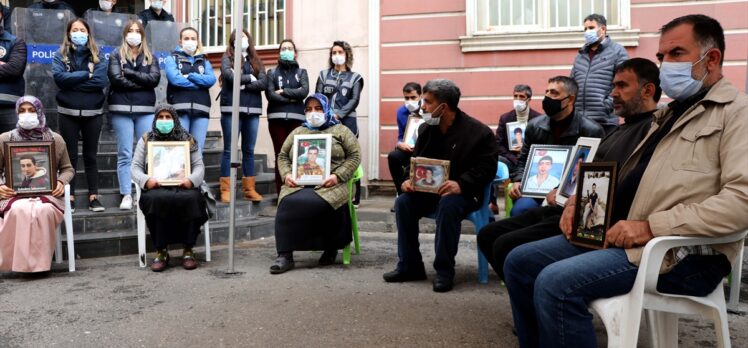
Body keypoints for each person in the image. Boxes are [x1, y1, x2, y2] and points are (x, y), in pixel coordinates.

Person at [503, 15, 748, 347]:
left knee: (554, 283)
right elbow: (624, 176)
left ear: (712, 58)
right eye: (662, 57)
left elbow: (741, 202)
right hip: (623, 236)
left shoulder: (737, 114)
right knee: (519, 261)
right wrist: (577, 202)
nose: (665, 65)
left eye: (676, 54)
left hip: (681, 254)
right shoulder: (668, 116)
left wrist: (650, 227)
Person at [478, 57, 661, 281]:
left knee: (509, 247)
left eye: (622, 86)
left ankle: (535, 291)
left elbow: (621, 185)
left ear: (647, 90)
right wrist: (560, 189)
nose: (613, 93)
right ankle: (528, 289)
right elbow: (582, 171)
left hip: (591, 218)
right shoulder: (616, 131)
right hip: (563, 204)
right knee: (488, 234)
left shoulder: (651, 132)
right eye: (613, 86)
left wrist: (575, 202)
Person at [382, 79, 499, 293]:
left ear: (443, 107)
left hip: (465, 193)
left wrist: (461, 184)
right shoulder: (427, 128)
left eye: (426, 102)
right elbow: (416, 161)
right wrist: (410, 180)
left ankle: (444, 270)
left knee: (448, 204)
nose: (422, 107)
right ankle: (410, 266)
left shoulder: (479, 133)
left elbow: (487, 168)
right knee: (403, 203)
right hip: (429, 190)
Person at [269, 93, 361, 274]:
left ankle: (330, 246)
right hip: (299, 183)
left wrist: (338, 176)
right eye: (309, 109)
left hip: (332, 183)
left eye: (318, 109)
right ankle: (285, 255)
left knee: (317, 202)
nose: (313, 113)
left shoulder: (341, 131)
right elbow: (282, 156)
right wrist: (287, 174)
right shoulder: (298, 132)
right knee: (287, 202)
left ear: (327, 110)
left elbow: (355, 156)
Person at [508, 76, 604, 217]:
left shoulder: (591, 130)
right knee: (519, 211)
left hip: (570, 195)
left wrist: (563, 192)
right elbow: (523, 159)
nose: (547, 97)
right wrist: (518, 180)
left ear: (570, 99)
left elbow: (594, 173)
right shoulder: (534, 126)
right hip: (535, 191)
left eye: (554, 93)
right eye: (546, 92)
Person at [0, 96, 75, 273]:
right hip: (14, 195)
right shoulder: (4, 139)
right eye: (22, 111)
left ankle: (39, 265)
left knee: (42, 210)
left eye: (32, 110)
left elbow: (68, 169)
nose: (27, 115)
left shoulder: (55, 139)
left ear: (40, 112)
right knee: (19, 209)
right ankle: (15, 264)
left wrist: (60, 181)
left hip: (48, 194)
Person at [131, 105, 208, 272]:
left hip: (184, 186)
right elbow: (135, 167)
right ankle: (161, 251)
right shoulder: (146, 139)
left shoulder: (188, 139)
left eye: (168, 117)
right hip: (156, 186)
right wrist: (146, 180)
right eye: (161, 117)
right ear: (155, 120)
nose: (164, 121)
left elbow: (199, 167)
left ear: (175, 120)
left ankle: (188, 250)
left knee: (192, 198)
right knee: (155, 200)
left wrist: (191, 180)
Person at [52, 18, 109, 213]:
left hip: (93, 113)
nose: (78, 33)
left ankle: (94, 197)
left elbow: (100, 81)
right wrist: (86, 75)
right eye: (74, 29)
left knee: (91, 156)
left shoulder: (98, 55)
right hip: (68, 113)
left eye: (82, 29)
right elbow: (59, 79)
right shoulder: (61, 55)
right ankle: (71, 197)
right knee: (71, 158)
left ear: (88, 33)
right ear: (68, 33)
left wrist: (73, 82)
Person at [108, 19, 160, 211]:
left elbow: (154, 79)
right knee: (125, 153)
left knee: (146, 153)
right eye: (130, 30)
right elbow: (116, 80)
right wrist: (142, 84)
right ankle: (126, 194)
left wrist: (129, 73)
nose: (134, 34)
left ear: (143, 35)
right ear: (125, 34)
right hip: (121, 109)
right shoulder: (116, 54)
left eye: (138, 31)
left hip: (145, 110)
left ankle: (143, 191)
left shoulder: (149, 56)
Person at [219, 30, 266, 203]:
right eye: (237, 38)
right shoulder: (227, 58)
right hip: (231, 108)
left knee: (249, 150)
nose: (241, 40)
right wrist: (250, 78)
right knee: (229, 150)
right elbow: (229, 77)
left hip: (252, 110)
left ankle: (249, 189)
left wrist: (244, 85)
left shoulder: (257, 60)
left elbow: (263, 82)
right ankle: (226, 189)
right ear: (232, 41)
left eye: (244, 37)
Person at [316, 40, 364, 205]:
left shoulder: (355, 77)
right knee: (328, 155)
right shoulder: (323, 75)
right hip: (326, 122)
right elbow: (319, 98)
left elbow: (354, 100)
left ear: (347, 55)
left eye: (340, 52)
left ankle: (355, 194)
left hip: (348, 122)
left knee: (350, 156)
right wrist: (327, 115)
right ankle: (329, 190)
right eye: (334, 53)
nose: (337, 56)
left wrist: (339, 114)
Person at [571, 14, 629, 135]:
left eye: (591, 28)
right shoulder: (580, 55)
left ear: (603, 29)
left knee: (602, 154)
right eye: (585, 29)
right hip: (579, 122)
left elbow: (624, 82)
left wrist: (606, 106)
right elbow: (572, 84)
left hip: (605, 122)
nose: (587, 32)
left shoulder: (617, 51)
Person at [266, 39, 309, 195]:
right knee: (280, 156)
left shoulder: (302, 72)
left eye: (290, 48)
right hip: (276, 120)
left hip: (297, 119)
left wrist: (283, 92)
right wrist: (293, 96)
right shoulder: (271, 73)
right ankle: (281, 193)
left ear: (295, 53)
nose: (286, 51)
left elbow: (304, 92)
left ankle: (297, 191)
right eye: (283, 48)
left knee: (298, 155)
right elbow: (270, 95)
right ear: (279, 52)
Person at [164, 27, 216, 152]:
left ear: (197, 41)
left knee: (197, 150)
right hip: (180, 110)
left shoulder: (204, 60)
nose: (190, 41)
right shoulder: (172, 58)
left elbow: (211, 80)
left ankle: (197, 172)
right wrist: (199, 84)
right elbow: (175, 79)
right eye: (186, 38)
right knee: (181, 150)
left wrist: (191, 76)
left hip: (201, 110)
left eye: (193, 38)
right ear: (180, 41)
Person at [496, 84, 542, 171]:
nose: (518, 99)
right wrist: (513, 158)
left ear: (529, 99)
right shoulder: (505, 118)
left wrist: (525, 151)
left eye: (521, 96)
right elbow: (498, 144)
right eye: (515, 96)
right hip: (510, 159)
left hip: (531, 159)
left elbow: (541, 143)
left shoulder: (538, 119)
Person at [387, 82, 422, 198]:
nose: (410, 100)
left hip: (425, 149)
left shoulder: (428, 109)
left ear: (420, 96)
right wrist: (400, 144)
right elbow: (401, 135)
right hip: (409, 148)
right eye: (406, 98)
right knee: (393, 156)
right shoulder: (401, 112)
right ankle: (401, 194)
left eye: (413, 97)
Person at [0, 8, 26, 133]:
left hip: (9, 107)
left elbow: (14, 69)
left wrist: (8, 66)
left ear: (1, 15)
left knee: (10, 150)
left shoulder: (15, 42)